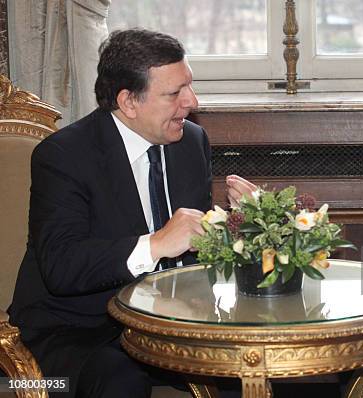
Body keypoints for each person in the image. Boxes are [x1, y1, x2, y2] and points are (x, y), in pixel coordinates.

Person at [8, 29, 254, 398]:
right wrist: (154, 245)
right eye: (174, 93)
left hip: (168, 324)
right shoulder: (65, 156)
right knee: (120, 381)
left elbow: (196, 250)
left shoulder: (190, 141)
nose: (192, 101)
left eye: (189, 86)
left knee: (250, 369)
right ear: (128, 102)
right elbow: (62, 267)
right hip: (78, 330)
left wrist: (241, 226)